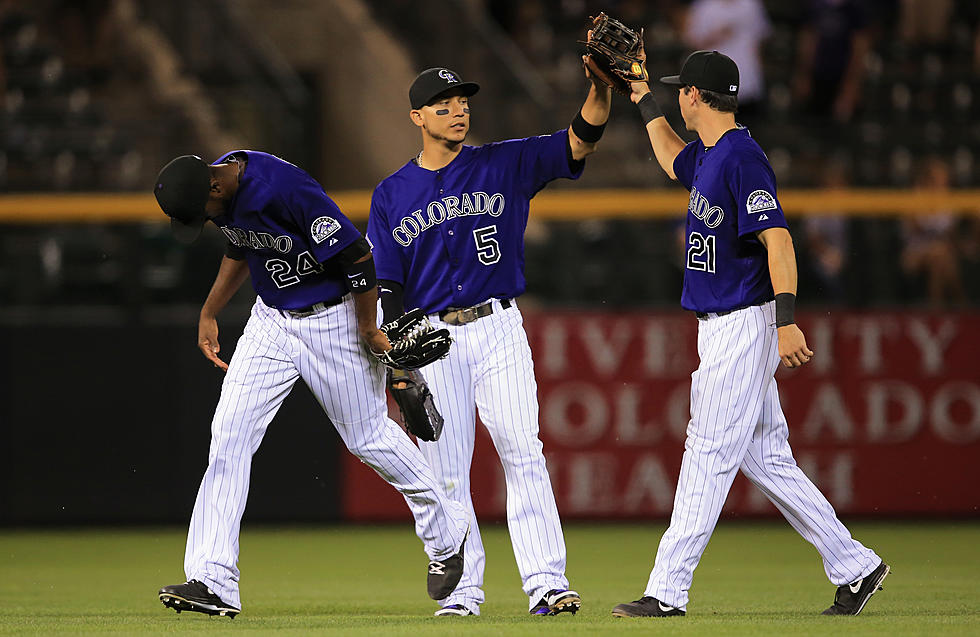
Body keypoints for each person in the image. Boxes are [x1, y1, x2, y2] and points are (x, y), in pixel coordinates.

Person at [611, 49, 889, 618]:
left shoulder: (741, 158)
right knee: (765, 456)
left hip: (743, 323)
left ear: (694, 96)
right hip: (723, 324)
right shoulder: (711, 153)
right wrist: (641, 96)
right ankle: (856, 565)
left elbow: (779, 241)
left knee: (706, 450)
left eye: (678, 90)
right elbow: (670, 159)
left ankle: (667, 590)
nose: (678, 98)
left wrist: (786, 321)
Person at [151, 151, 468, 618]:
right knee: (229, 437)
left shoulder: (282, 188)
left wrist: (368, 329)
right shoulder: (217, 183)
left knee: (368, 438)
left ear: (214, 189)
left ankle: (448, 528)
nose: (204, 221)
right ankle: (213, 580)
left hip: (336, 319)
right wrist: (210, 310)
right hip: (272, 322)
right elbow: (242, 245)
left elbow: (359, 257)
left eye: (202, 214)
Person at [366, 63, 610, 617]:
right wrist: (399, 355)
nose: (458, 110)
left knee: (523, 449)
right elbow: (388, 282)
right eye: (444, 103)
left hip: (498, 325)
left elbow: (580, 140)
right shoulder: (392, 193)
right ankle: (461, 593)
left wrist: (600, 91)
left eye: (463, 101)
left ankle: (548, 583)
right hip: (431, 336)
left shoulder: (503, 163)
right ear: (417, 117)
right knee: (446, 468)